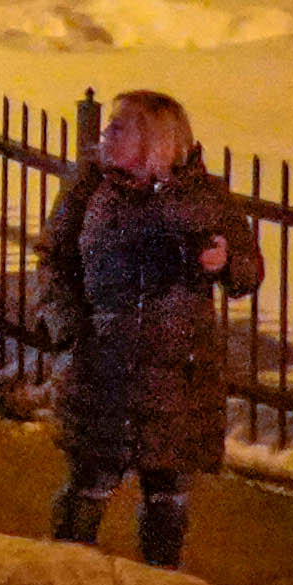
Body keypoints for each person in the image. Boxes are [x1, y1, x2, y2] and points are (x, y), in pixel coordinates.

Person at [45, 89, 260, 559]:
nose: (105, 134)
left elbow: (249, 270)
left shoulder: (204, 196)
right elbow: (54, 259)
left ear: (154, 140)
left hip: (175, 377)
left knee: (166, 494)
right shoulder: (88, 186)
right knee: (89, 485)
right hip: (104, 367)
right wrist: (66, 326)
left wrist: (225, 262)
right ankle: (62, 583)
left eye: (119, 127)